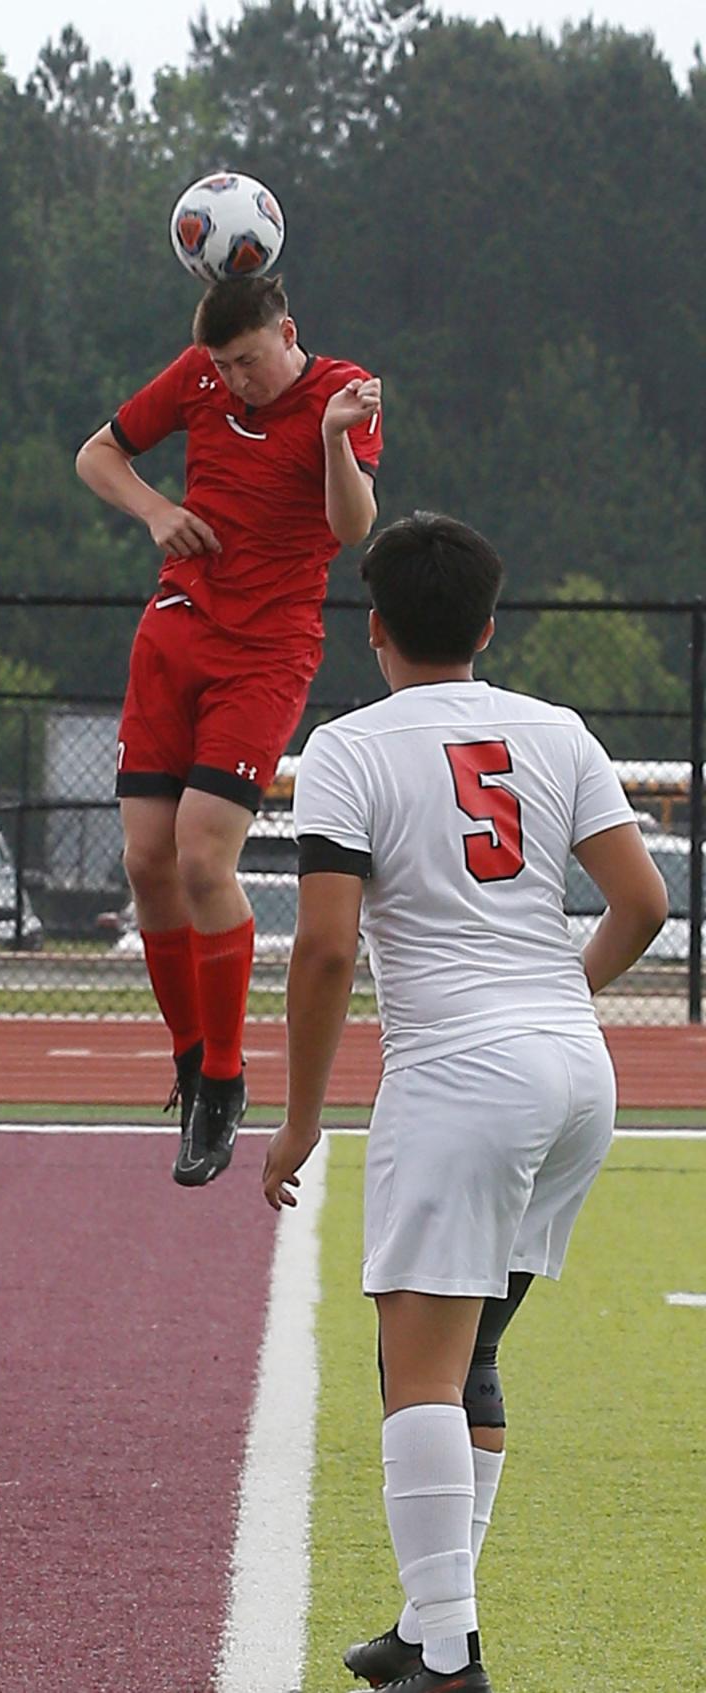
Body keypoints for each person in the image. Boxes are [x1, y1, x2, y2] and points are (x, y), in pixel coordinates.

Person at [262, 513, 668, 1691]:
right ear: (490, 626)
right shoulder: (557, 730)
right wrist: (554, 996)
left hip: (460, 1073)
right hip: (576, 1074)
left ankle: (447, 1658)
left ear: (373, 630)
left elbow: (328, 952)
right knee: (470, 1349)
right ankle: (429, 1622)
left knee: (418, 1368)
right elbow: (640, 903)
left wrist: (296, 1118)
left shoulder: (347, 746)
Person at [76, 275, 382, 1186]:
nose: (234, 379)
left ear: (288, 331)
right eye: (222, 363)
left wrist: (332, 440)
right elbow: (98, 454)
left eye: (247, 361)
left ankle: (224, 1074)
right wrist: (156, 511)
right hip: (176, 627)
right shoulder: (201, 378)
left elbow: (353, 526)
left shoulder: (343, 393)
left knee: (205, 859)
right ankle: (189, 1056)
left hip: (266, 649)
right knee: (145, 861)